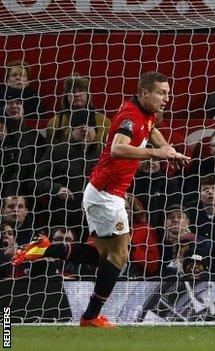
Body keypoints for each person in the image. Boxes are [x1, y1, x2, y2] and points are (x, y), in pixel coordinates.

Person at [11, 71, 190, 328]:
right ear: (144, 93)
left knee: (104, 255)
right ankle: (90, 316)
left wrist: (170, 151)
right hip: (106, 195)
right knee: (118, 258)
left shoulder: (145, 114)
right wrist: (155, 153)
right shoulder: (129, 117)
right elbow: (118, 148)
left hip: (105, 193)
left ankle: (44, 249)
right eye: (162, 93)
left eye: (168, 93)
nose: (167, 98)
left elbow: (153, 132)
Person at [45, 75, 111, 145]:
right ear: (66, 96)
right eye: (72, 91)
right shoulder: (55, 123)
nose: (77, 94)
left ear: (88, 94)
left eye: (81, 90)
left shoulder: (104, 122)